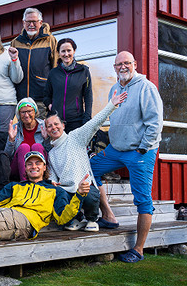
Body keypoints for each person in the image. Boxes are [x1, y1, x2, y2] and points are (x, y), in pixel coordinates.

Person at [90, 51, 163, 263]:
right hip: (116, 149)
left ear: (135, 64)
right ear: (114, 67)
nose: (122, 67)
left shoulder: (146, 88)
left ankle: (138, 249)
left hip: (140, 152)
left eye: (126, 63)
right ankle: (109, 216)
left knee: (142, 199)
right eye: (118, 64)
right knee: (90, 168)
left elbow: (155, 123)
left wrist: (143, 148)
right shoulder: (115, 88)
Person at [45, 90, 127, 232]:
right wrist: (52, 180)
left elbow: (95, 123)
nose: (54, 127)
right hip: (68, 191)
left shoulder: (76, 137)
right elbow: (52, 173)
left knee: (89, 193)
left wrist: (111, 105)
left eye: (56, 124)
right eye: (49, 126)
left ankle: (91, 218)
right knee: (59, 193)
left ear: (63, 125)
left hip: (85, 187)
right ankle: (75, 218)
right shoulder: (51, 153)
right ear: (46, 130)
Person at [10, 8, 58, 118]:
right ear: (23, 23)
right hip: (21, 99)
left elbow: (55, 68)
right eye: (28, 22)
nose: (31, 25)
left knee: (41, 132)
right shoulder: (15, 42)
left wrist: (53, 97)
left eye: (34, 22)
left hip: (41, 99)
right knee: (23, 132)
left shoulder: (50, 40)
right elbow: (11, 69)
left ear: (40, 23)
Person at [44, 38, 93, 133]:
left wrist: (87, 118)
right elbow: (46, 95)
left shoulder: (84, 71)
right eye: (63, 51)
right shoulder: (53, 73)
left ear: (74, 51)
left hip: (76, 121)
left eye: (69, 50)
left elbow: (88, 96)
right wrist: (51, 106)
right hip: (57, 122)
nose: (66, 54)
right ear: (58, 53)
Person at [5, 98, 48, 181]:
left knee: (37, 146)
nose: (26, 115)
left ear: (35, 112)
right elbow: (7, 156)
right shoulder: (15, 128)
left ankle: (39, 182)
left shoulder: (44, 126)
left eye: (29, 111)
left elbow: (51, 153)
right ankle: (25, 183)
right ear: (19, 114)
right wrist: (11, 140)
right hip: (18, 169)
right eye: (23, 112)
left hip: (41, 170)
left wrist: (46, 139)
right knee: (24, 147)